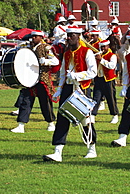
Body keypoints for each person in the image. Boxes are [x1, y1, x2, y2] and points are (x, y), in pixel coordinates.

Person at [43, 26, 98, 162]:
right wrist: (59, 90)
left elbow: (93, 72)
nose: (68, 38)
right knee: (62, 119)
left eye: (71, 35)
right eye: (67, 35)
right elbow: (62, 73)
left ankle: (91, 148)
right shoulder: (67, 54)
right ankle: (58, 151)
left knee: (86, 120)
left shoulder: (87, 52)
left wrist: (78, 75)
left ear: (78, 36)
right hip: (68, 88)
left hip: (82, 88)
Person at [11, 30, 59, 133]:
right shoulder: (29, 48)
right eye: (32, 37)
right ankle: (21, 125)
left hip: (42, 79)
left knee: (45, 102)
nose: (33, 38)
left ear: (40, 37)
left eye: (35, 37)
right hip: (30, 79)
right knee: (26, 101)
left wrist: (45, 61)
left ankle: (50, 123)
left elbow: (56, 61)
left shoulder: (46, 48)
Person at [93, 40, 119, 124]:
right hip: (99, 79)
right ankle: (93, 115)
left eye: (105, 47)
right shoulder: (97, 55)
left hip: (108, 80)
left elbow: (111, 66)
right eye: (102, 47)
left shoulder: (112, 56)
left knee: (110, 98)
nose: (103, 48)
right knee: (96, 98)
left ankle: (114, 115)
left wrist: (101, 60)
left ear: (108, 47)